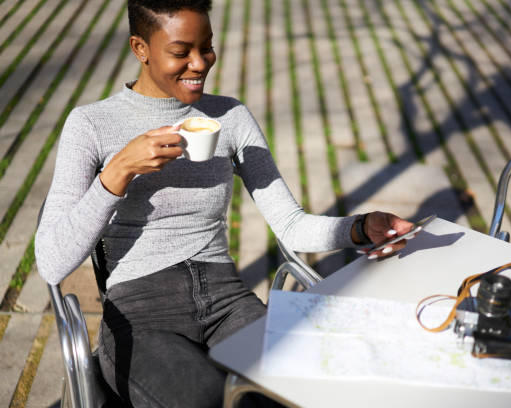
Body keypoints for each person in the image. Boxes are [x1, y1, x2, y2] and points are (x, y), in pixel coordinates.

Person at [34, 0, 416, 406]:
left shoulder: (229, 116)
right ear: (140, 48)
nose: (199, 63)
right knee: (209, 400)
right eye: (181, 52)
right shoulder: (91, 124)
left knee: (307, 387)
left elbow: (290, 224)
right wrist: (118, 173)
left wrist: (360, 227)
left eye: (207, 47)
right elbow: (53, 261)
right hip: (142, 315)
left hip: (227, 301)